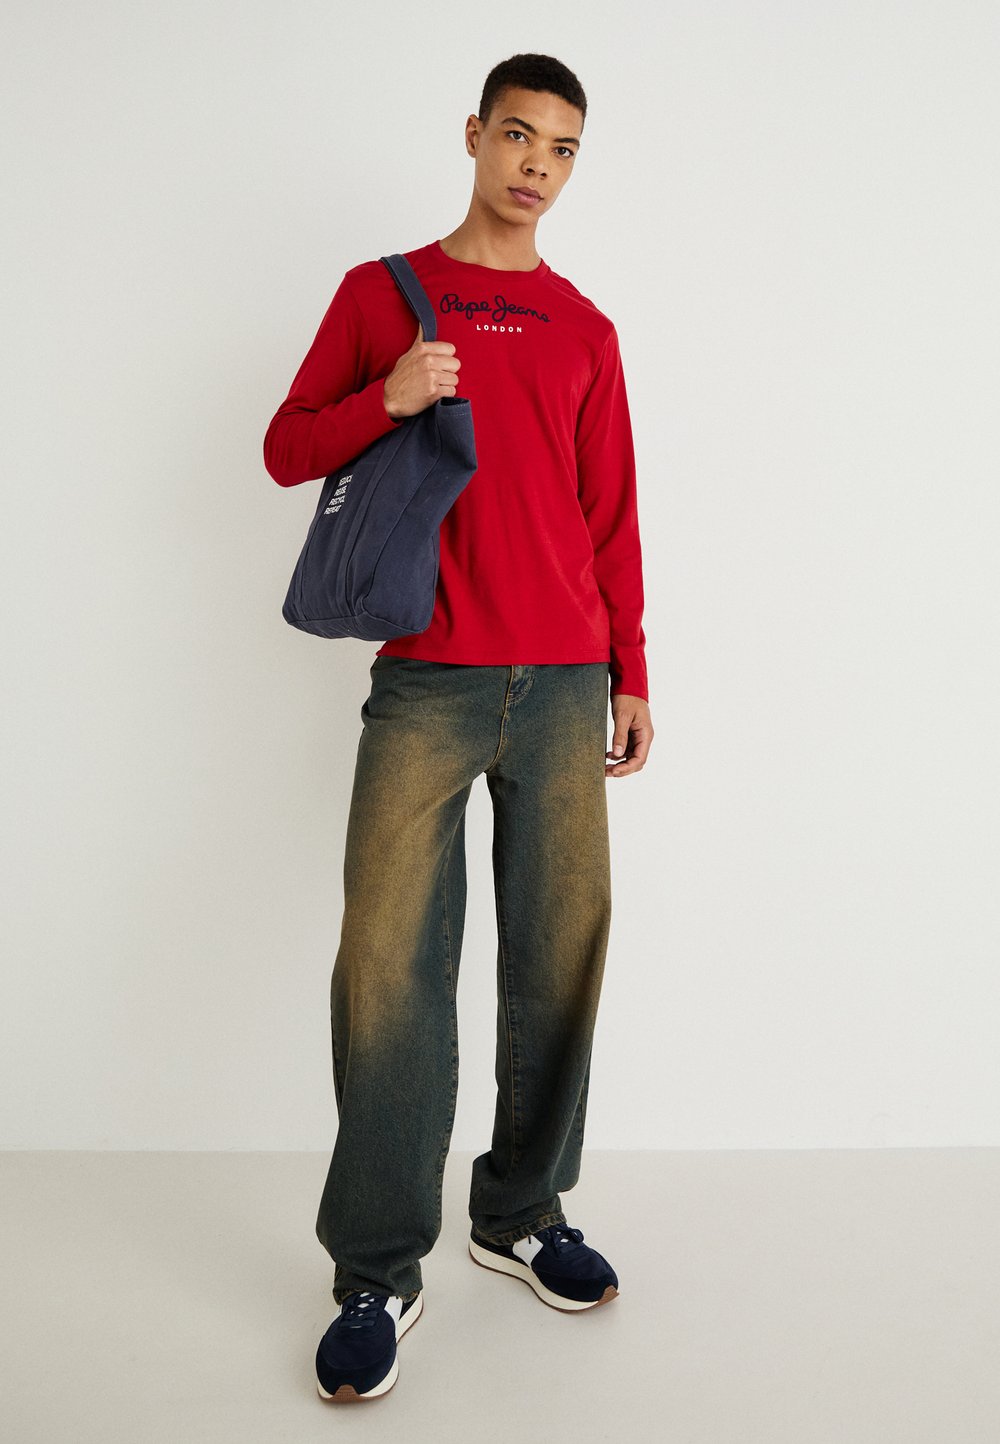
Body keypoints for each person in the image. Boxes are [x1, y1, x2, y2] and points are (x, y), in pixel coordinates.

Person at [263, 51, 653, 1404]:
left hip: (565, 680)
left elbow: (612, 514)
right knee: (386, 969)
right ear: (475, 135)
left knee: (559, 956)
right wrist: (388, 397)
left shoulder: (586, 328)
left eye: (563, 149)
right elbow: (285, 447)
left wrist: (632, 668)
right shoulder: (383, 295)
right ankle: (377, 1267)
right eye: (519, 136)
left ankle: (523, 1212)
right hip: (426, 680)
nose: (538, 166)